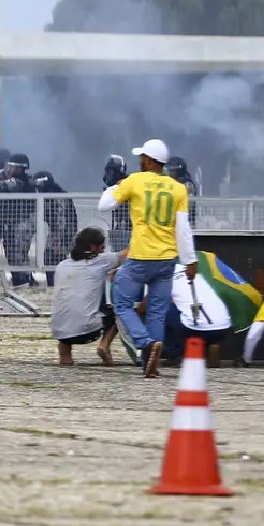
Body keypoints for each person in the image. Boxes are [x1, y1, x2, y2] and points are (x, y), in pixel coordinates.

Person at [98, 139, 197, 378]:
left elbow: (104, 205)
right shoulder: (178, 188)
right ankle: (150, 363)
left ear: (150, 160)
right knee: (156, 312)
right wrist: (190, 261)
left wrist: (117, 186)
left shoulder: (134, 181)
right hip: (167, 259)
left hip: (141, 257)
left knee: (121, 303)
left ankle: (144, 343)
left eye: (141, 157)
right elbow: (183, 229)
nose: (139, 160)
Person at [50, 227, 126, 366]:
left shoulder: (62, 265)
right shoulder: (101, 261)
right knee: (121, 311)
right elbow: (129, 254)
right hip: (88, 331)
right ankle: (104, 345)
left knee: (69, 307)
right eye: (102, 247)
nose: (103, 250)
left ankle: (65, 357)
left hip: (59, 330)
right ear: (93, 247)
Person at [0, 153, 37, 287]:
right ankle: (21, 282)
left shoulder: (19, 182)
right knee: (13, 257)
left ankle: (25, 283)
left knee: (18, 258)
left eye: (12, 167)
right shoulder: (20, 182)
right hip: (11, 226)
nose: (9, 169)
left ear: (20, 168)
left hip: (20, 226)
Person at [162, 263, 232, 367]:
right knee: (195, 307)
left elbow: (145, 306)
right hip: (223, 328)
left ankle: (174, 356)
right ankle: (209, 346)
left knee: (161, 309)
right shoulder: (199, 274)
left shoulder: (163, 278)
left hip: (194, 328)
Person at [33, 171, 77, 287]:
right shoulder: (51, 196)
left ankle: (56, 288)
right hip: (58, 234)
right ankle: (54, 287)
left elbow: (62, 221)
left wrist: (60, 243)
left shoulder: (58, 197)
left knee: (55, 262)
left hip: (62, 235)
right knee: (50, 261)